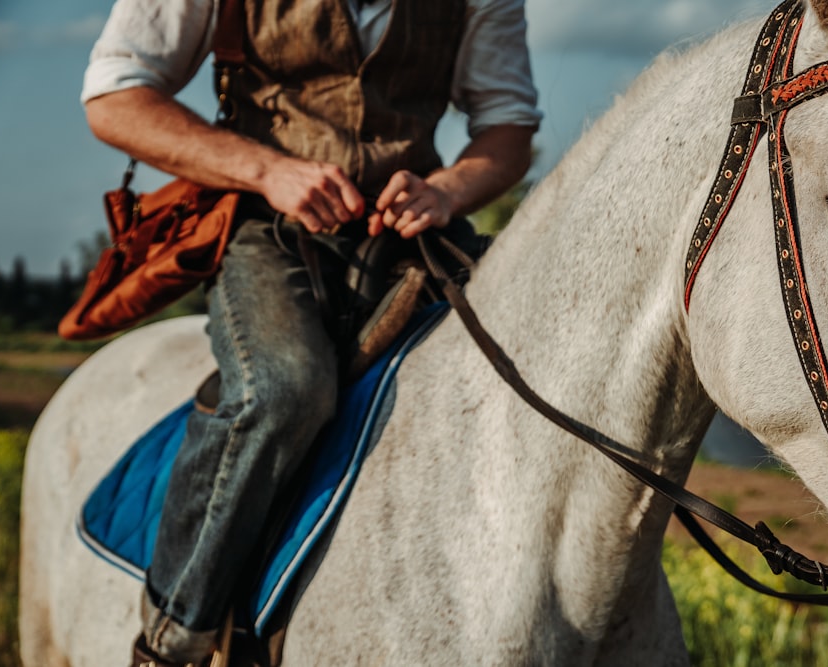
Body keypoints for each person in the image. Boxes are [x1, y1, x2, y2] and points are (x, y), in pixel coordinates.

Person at [81, 0, 541, 664]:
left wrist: (445, 190)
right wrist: (268, 170)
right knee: (282, 387)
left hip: (413, 234)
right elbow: (113, 98)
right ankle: (172, 637)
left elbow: (507, 126)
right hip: (266, 228)